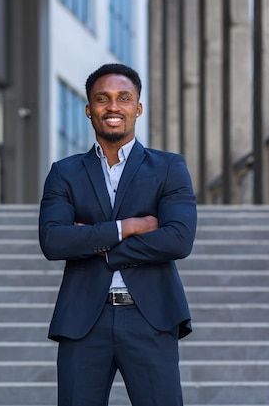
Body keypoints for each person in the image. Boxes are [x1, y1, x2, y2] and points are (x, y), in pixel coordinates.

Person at [38, 63, 197, 406]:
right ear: (89, 110)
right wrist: (126, 228)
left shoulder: (169, 167)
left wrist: (100, 246)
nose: (113, 107)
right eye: (102, 99)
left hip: (151, 317)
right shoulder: (64, 174)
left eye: (124, 98)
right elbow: (53, 241)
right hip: (83, 321)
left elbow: (178, 239)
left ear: (137, 108)